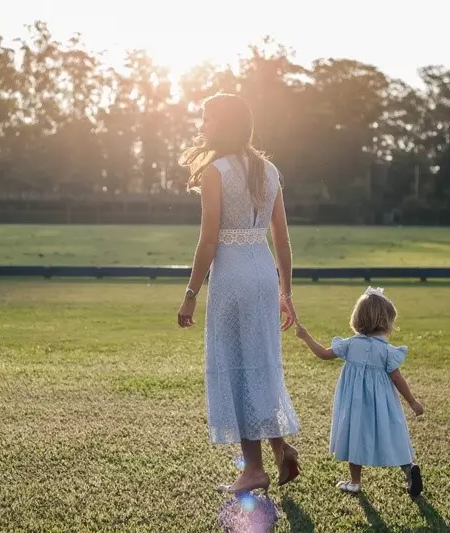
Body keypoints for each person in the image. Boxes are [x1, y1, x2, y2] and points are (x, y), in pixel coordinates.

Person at [176, 92, 301, 494]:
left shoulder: (216, 171)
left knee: (236, 368)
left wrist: (191, 292)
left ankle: (253, 470)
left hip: (231, 277)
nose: (202, 126)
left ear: (225, 124)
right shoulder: (270, 170)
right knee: (260, 362)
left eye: (207, 119)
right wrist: (286, 291)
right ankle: (281, 449)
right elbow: (282, 239)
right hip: (263, 274)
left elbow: (208, 240)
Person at [294, 287, 425, 497]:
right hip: (382, 406)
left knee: (354, 433)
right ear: (386, 322)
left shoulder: (351, 345)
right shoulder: (385, 351)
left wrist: (306, 336)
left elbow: (324, 354)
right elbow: (397, 379)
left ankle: (355, 482)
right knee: (392, 434)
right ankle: (409, 470)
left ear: (358, 318)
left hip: (354, 403)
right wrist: (413, 402)